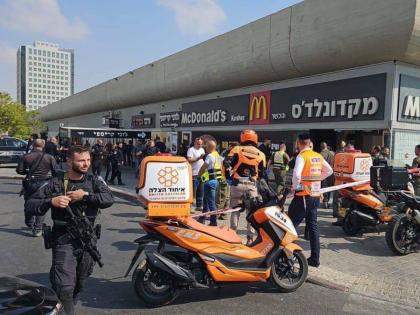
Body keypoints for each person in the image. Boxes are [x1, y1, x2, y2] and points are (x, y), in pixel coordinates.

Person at [24, 145, 114, 315]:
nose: (86, 164)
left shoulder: (95, 180)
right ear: (69, 161)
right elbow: (30, 203)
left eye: (88, 160)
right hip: (63, 238)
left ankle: (66, 301)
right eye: (81, 160)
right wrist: (51, 202)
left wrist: (86, 195)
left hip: (87, 240)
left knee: (80, 280)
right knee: (64, 285)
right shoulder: (56, 181)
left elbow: (109, 198)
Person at [288, 134, 333, 267]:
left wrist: (295, 186)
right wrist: (317, 179)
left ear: (298, 143)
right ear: (309, 143)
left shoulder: (301, 156)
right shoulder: (317, 156)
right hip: (315, 196)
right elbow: (329, 170)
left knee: (289, 227)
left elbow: (296, 174)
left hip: (303, 196)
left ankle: (286, 257)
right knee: (313, 227)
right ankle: (315, 258)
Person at [225, 130, 266, 245]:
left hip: (237, 184)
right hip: (251, 186)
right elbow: (262, 174)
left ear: (242, 138)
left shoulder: (236, 149)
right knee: (251, 213)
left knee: (235, 211)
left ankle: (233, 237)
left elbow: (226, 164)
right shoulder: (261, 154)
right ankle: (250, 239)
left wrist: (228, 178)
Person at [16, 139, 58, 236]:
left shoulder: (26, 156)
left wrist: (29, 173)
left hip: (29, 183)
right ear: (43, 146)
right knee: (41, 204)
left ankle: (30, 223)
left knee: (28, 202)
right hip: (44, 183)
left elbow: (19, 171)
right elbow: (55, 171)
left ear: (33, 145)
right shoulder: (49, 157)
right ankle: (38, 228)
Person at [198, 140, 222, 226]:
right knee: (206, 200)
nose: (205, 147)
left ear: (209, 147)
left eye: (206, 146)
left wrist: (198, 175)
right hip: (215, 181)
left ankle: (213, 221)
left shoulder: (210, 156)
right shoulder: (218, 155)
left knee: (211, 202)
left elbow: (204, 167)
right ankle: (203, 216)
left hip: (209, 181)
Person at [187, 138, 205, 211]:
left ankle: (199, 205)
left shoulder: (202, 150)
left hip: (201, 173)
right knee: (192, 191)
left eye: (201, 144)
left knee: (201, 190)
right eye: (198, 144)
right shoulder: (191, 150)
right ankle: (189, 207)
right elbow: (189, 160)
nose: (200, 145)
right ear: (195, 143)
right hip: (193, 173)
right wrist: (198, 158)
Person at [320, 142, 335, 209]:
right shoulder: (332, 154)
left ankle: (325, 201)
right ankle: (327, 201)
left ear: (321, 147)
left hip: (323, 173)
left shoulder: (320, 154)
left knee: (324, 187)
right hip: (331, 173)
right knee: (329, 187)